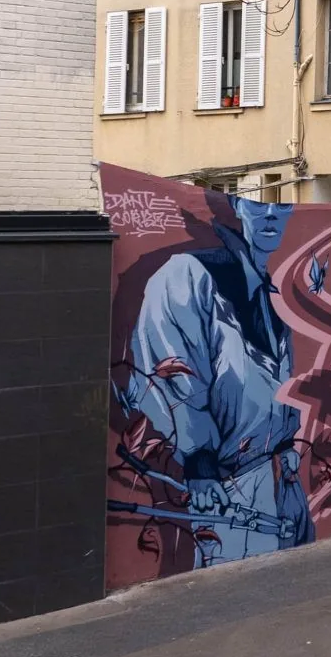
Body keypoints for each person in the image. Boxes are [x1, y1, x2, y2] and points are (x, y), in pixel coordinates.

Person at [121, 193, 314, 565]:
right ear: (238, 208)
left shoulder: (270, 295)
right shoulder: (189, 275)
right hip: (223, 486)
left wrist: (287, 455)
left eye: (283, 205)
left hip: (275, 477)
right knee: (237, 584)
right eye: (258, 204)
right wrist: (200, 464)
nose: (272, 215)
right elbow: (173, 376)